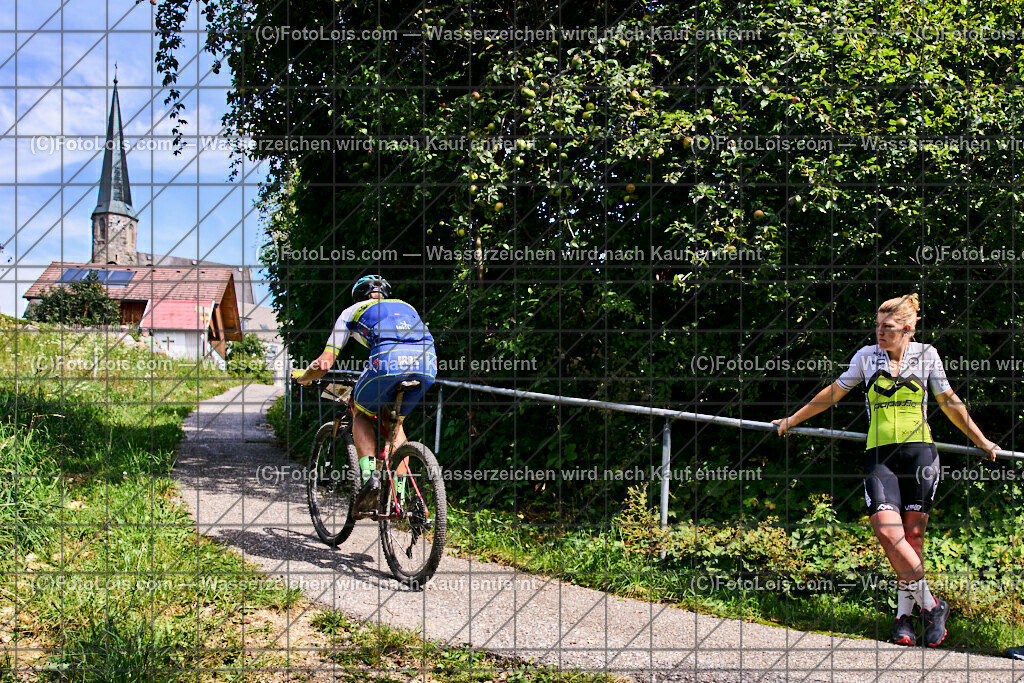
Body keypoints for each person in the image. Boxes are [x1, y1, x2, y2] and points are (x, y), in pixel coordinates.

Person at [771, 293, 1000, 648]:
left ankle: (903, 620)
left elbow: (949, 402)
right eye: (877, 326)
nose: (879, 332)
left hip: (921, 455)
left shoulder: (927, 355)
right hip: (880, 458)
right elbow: (832, 394)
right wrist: (791, 419)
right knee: (888, 534)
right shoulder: (866, 357)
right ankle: (933, 606)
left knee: (913, 540)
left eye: (887, 327)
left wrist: (983, 441)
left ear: (907, 329)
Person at [295, 275, 437, 512]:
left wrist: (305, 378)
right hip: (427, 364)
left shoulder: (351, 312)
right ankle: (399, 500)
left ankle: (371, 482)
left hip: (388, 363)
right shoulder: (407, 307)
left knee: (360, 413)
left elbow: (324, 364)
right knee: (396, 425)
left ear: (359, 296)